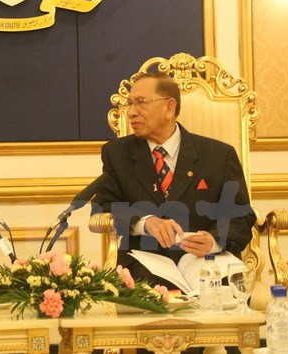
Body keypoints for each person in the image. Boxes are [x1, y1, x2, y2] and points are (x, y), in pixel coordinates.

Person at [92, 72, 255, 353]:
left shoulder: (218, 155)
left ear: (169, 107)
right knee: (160, 302)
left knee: (224, 293)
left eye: (141, 102)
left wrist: (214, 240)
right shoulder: (117, 153)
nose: (131, 112)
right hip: (145, 261)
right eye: (130, 103)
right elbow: (103, 207)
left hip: (206, 261)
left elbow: (241, 216)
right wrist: (145, 223)